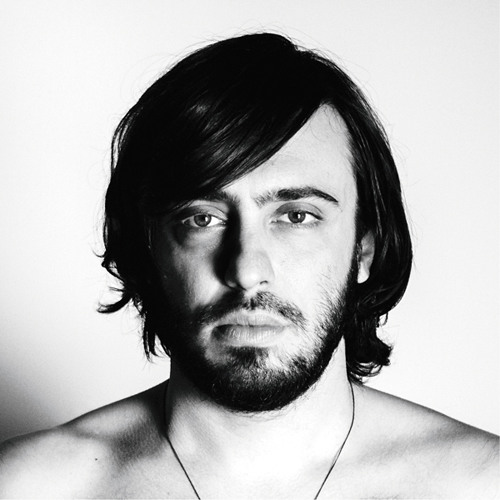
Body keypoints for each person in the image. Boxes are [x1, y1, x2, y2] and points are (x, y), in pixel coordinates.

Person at [0, 32, 497, 499]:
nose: (246, 270)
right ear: (146, 249)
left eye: (297, 216)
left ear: (364, 248)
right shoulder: (31, 488)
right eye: (202, 218)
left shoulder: (479, 484)